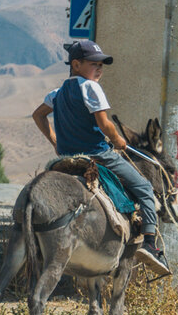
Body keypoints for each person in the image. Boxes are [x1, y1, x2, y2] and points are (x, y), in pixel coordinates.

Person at [31, 39, 170, 275]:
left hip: (66, 156)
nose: (100, 68)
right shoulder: (91, 88)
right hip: (98, 154)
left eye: (102, 64)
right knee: (144, 187)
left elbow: (38, 116)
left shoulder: (56, 93)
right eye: (94, 63)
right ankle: (149, 244)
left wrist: (56, 142)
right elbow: (105, 124)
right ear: (76, 64)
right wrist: (118, 140)